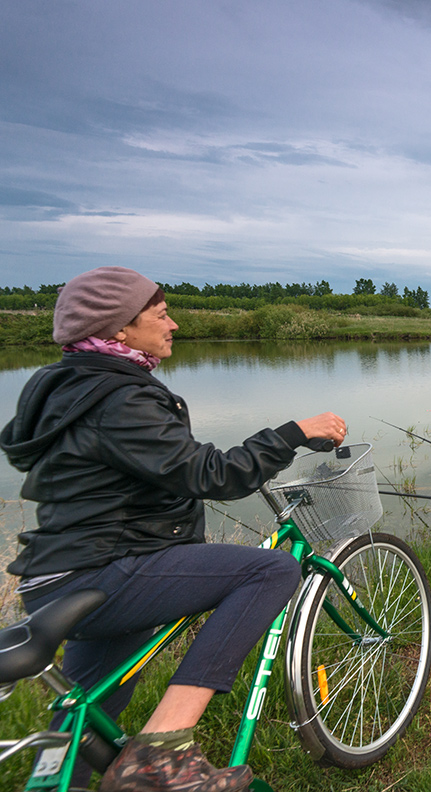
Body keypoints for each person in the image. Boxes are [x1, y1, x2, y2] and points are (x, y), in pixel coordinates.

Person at [0, 267, 348, 792]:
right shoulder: (117, 398)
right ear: (119, 329)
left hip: (59, 577)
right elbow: (210, 475)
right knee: (270, 569)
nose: (175, 324)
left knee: (88, 718)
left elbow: (146, 473)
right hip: (108, 570)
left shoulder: (71, 387)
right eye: (161, 314)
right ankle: (163, 750)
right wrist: (293, 433)